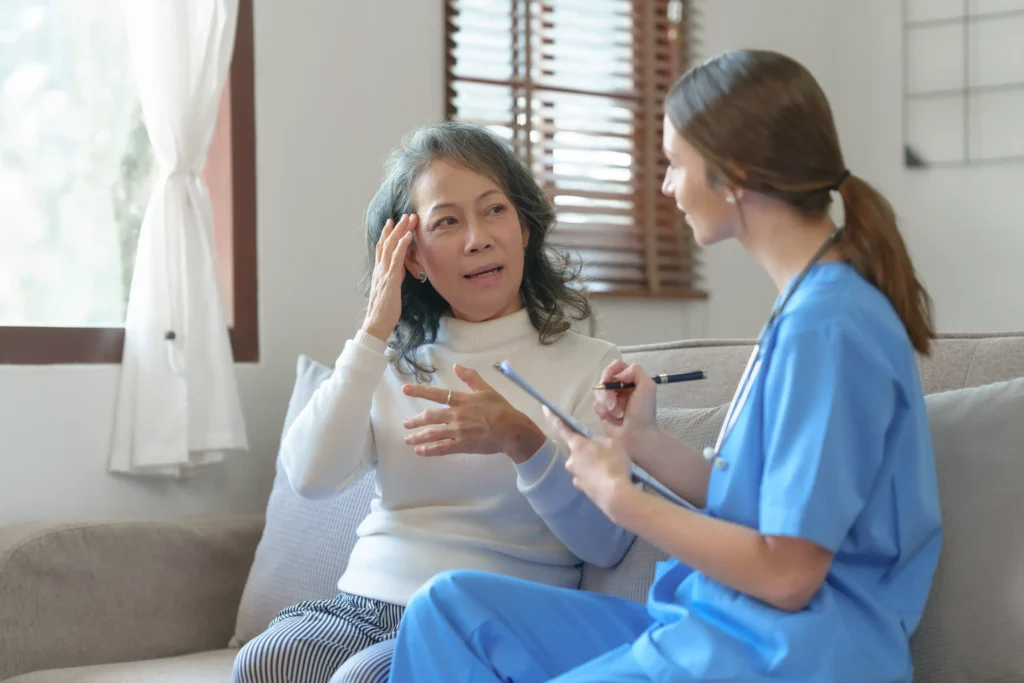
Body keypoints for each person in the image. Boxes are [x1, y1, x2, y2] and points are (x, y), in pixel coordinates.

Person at [386, 49, 943, 683]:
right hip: (718, 626)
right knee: (448, 608)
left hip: (790, 652)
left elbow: (789, 574)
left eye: (675, 164)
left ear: (731, 175)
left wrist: (624, 501)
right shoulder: (805, 307)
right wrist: (643, 443)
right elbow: (768, 502)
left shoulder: (832, 327)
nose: (667, 186)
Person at [231, 122, 635, 683]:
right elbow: (309, 476)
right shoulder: (392, 361)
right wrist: (375, 330)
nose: (478, 238)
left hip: (487, 625)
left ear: (524, 227)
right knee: (270, 661)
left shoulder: (595, 366)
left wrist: (524, 441)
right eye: (448, 221)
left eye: (495, 210)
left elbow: (608, 541)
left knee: (365, 679)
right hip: (364, 605)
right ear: (413, 258)